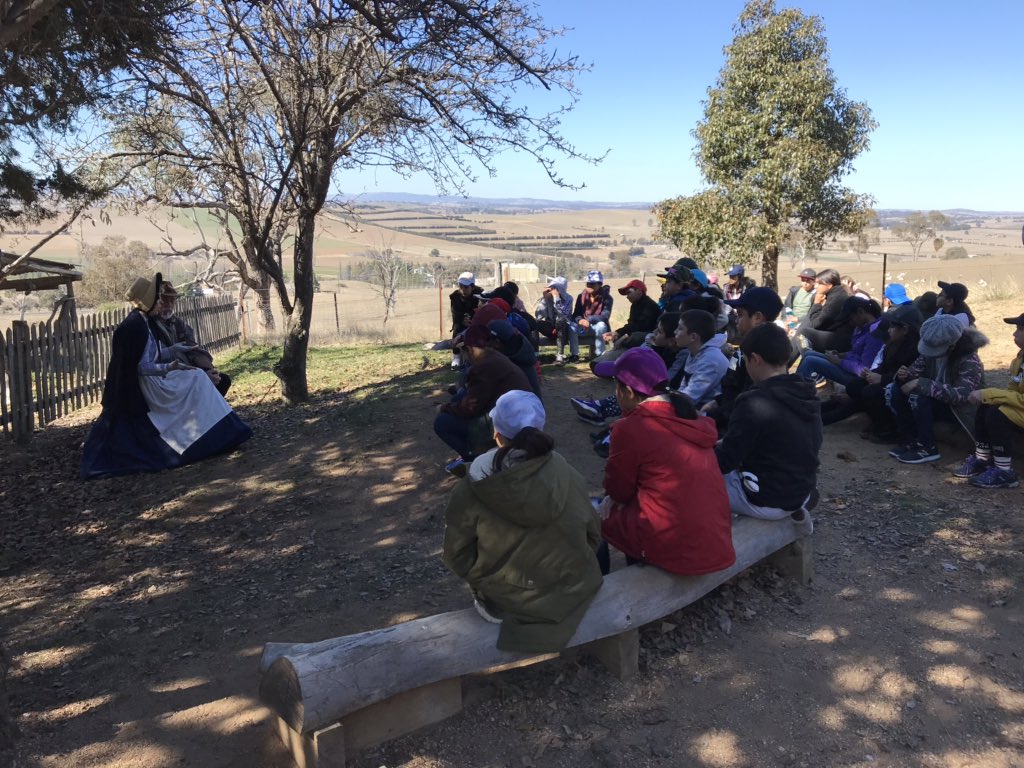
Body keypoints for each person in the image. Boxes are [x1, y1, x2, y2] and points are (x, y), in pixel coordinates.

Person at [442, 391, 602, 653]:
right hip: (574, 588)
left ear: (497, 434)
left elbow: (456, 555)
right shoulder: (568, 473)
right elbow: (593, 534)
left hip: (505, 603)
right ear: (540, 429)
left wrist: (487, 580)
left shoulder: (472, 487)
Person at [80, 273, 252, 480]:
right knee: (197, 379)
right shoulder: (134, 326)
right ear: (149, 300)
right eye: (160, 298)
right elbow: (142, 367)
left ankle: (222, 431)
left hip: (157, 376)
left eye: (168, 299)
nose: (163, 303)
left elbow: (153, 354)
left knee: (199, 377)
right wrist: (171, 366)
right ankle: (209, 435)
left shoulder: (145, 322)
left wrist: (174, 350)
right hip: (149, 384)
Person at [594, 348, 735, 576]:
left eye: (616, 385)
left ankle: (608, 590)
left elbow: (619, 489)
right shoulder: (689, 416)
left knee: (593, 514)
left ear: (628, 391)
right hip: (715, 544)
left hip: (675, 548)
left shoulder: (631, 428)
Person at [715, 323, 821, 527]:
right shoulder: (806, 392)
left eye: (745, 360)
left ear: (755, 359)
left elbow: (725, 462)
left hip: (767, 499)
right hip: (801, 491)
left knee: (694, 478)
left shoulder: (753, 401)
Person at [889, 314, 988, 465]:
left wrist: (921, 383)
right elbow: (916, 371)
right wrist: (905, 375)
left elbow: (962, 395)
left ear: (951, 344)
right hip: (939, 400)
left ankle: (928, 448)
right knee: (897, 390)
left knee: (921, 398)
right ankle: (910, 440)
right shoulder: (931, 352)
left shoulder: (969, 359)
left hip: (959, 409)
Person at [434, 325, 532, 474]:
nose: (465, 355)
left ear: (471, 349)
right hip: (523, 414)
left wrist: (445, 408)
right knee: (460, 396)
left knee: (442, 422)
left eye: (465, 350)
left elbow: (470, 408)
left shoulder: (484, 366)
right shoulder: (495, 357)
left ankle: (475, 459)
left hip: (509, 423)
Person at [953, 313, 1024, 489]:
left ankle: (1004, 472)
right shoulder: (1020, 359)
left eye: (1020, 330)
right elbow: (1013, 390)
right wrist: (991, 397)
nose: (1014, 334)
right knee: (987, 405)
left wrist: (990, 393)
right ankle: (982, 459)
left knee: (997, 413)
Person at [836, 303, 923, 436]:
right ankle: (876, 421)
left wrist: (883, 379)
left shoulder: (916, 349)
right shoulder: (893, 344)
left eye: (893, 327)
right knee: (854, 385)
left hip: (900, 387)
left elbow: (910, 375)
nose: (889, 330)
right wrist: (872, 374)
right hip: (886, 380)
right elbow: (884, 365)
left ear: (905, 329)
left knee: (871, 392)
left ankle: (890, 428)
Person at [704, 287, 785, 430]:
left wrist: (714, 416)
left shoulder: (760, 356)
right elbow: (732, 386)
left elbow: (749, 400)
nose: (736, 320)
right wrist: (718, 401)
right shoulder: (745, 347)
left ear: (757, 318)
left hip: (739, 423)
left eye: (740, 315)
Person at [152, 283, 232, 396]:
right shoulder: (151, 325)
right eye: (164, 300)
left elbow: (194, 348)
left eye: (172, 301)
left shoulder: (177, 323)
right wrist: (200, 376)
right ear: (156, 302)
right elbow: (160, 360)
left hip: (188, 371)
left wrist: (207, 369)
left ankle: (206, 411)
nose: (169, 305)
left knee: (222, 380)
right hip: (169, 376)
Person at [795, 297, 884, 389]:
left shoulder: (875, 334)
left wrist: (840, 362)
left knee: (810, 361)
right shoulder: (863, 328)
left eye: (850, 318)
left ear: (860, 312)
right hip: (850, 366)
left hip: (858, 379)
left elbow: (864, 370)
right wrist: (841, 355)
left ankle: (795, 392)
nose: (850, 323)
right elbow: (857, 353)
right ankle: (794, 388)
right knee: (808, 353)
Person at [673, 309, 730, 408]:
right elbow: (683, 388)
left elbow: (690, 397)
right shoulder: (695, 352)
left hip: (706, 416)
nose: (675, 332)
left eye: (680, 328)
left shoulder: (711, 359)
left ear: (693, 337)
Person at [797, 268, 851, 354]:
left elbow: (817, 324)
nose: (815, 286)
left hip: (841, 340)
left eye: (819, 283)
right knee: (804, 326)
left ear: (829, 285)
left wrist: (817, 304)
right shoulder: (834, 294)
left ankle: (808, 358)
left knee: (803, 333)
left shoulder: (837, 299)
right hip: (834, 334)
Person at [600, 279, 660, 355]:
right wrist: (616, 333)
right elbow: (631, 325)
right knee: (618, 337)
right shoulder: (635, 305)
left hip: (649, 336)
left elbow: (640, 326)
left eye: (629, 293)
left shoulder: (649, 305)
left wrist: (623, 337)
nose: (627, 297)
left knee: (634, 337)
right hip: (638, 334)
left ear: (639, 291)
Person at [487, 319, 542, 398]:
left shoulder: (508, 363)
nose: (486, 345)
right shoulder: (519, 351)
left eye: (488, 340)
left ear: (497, 343)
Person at [569, 270, 613, 358]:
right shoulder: (581, 296)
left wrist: (588, 319)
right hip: (583, 328)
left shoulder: (607, 298)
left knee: (601, 325)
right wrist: (580, 320)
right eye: (588, 283)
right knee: (572, 326)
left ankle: (599, 355)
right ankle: (575, 355)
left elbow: (605, 316)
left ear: (600, 284)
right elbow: (576, 314)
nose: (589, 285)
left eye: (592, 284)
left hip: (596, 328)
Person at [535, 276, 575, 363]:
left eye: (554, 287)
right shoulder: (547, 298)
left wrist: (556, 299)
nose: (551, 289)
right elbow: (538, 315)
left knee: (561, 320)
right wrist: (544, 300)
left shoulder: (569, 299)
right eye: (551, 287)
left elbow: (564, 315)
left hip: (564, 329)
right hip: (551, 328)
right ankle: (536, 356)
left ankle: (560, 356)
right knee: (535, 323)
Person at [449, 272, 483, 368]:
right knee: (457, 328)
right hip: (461, 322)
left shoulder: (480, 296)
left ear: (472, 287)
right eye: (461, 286)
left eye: (466, 287)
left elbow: (482, 312)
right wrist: (462, 321)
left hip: (476, 322)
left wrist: (473, 320)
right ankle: (456, 356)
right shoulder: (455, 297)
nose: (463, 289)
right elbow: (455, 315)